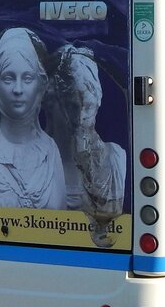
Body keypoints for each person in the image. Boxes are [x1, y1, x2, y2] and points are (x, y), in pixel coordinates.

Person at [0, 28, 65, 209]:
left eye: (27, 78)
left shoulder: (51, 151)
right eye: (9, 78)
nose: (18, 89)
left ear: (40, 87)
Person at [51, 44, 127, 245]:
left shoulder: (116, 157)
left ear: (97, 99)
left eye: (88, 102)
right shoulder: (45, 160)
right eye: (74, 105)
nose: (82, 114)